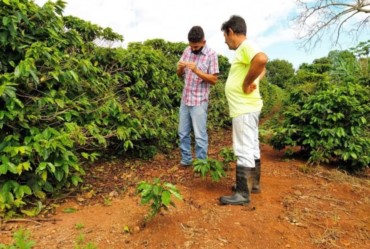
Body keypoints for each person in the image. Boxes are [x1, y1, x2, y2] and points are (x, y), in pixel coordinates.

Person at [219, 15, 268, 205]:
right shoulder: (247, 49)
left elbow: (262, 59)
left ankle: (242, 194)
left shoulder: (246, 47)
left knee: (243, 148)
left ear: (231, 31)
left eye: (225, 37)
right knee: (252, 146)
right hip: (249, 107)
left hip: (244, 109)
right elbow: (263, 66)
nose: (226, 42)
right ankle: (252, 185)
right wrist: (253, 80)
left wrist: (247, 82)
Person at [176, 26, 219, 166]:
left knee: (200, 136)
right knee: (182, 133)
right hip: (185, 99)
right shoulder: (186, 51)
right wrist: (180, 68)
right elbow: (179, 75)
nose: (193, 49)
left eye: (196, 46)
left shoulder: (211, 55)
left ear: (204, 42)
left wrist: (196, 70)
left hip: (200, 101)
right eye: (191, 46)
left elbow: (213, 80)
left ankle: (201, 164)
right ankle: (186, 159)